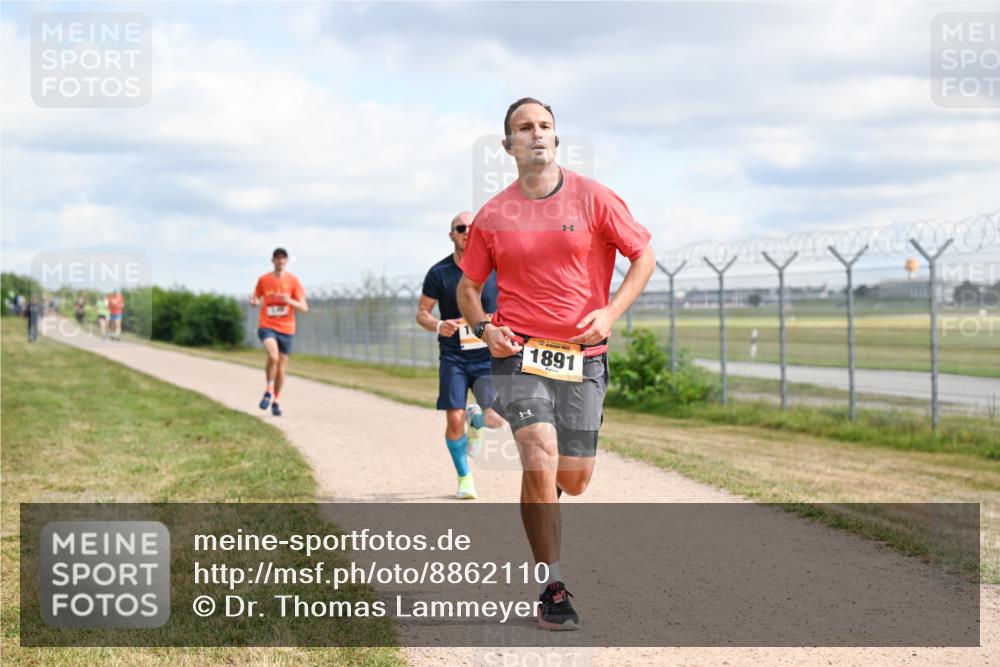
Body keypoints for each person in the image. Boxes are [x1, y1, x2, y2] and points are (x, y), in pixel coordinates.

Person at [457, 97, 655, 630]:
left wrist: (610, 313)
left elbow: (643, 256)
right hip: (518, 353)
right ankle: (553, 586)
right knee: (538, 449)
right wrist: (484, 328)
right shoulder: (494, 215)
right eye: (525, 128)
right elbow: (469, 289)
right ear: (508, 146)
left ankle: (543, 489)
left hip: (583, 358)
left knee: (574, 477)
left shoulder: (594, 198)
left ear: (556, 138)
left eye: (545, 125)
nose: (536, 133)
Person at [417, 212, 505, 500]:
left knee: (495, 418)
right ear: (452, 235)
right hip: (454, 357)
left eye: (472, 227)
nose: (467, 231)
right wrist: (439, 325)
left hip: (488, 357)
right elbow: (422, 313)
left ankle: (476, 421)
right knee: (454, 420)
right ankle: (464, 477)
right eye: (460, 228)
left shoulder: (497, 268)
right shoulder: (439, 273)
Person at [250, 248, 308, 417]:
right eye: (277, 258)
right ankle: (268, 390)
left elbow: (304, 307)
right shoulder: (264, 279)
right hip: (267, 325)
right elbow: (256, 298)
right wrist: (254, 301)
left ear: (287, 261)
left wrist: (289, 300)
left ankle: (276, 400)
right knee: (273, 356)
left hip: (287, 328)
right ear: (273, 260)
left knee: (281, 367)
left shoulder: (293, 281)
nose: (280, 261)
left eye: (283, 258)